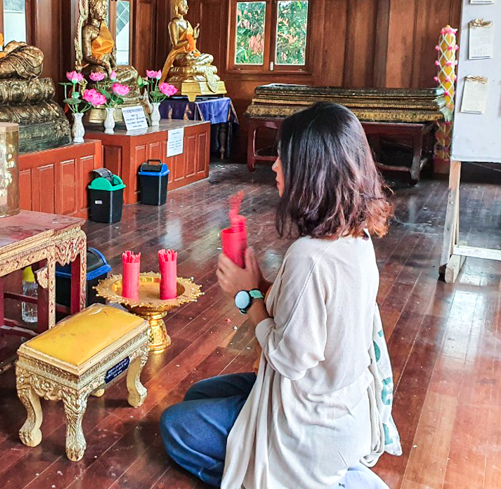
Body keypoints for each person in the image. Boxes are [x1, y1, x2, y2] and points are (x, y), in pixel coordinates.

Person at [160, 102, 395, 489]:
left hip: (308, 422)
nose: (274, 166)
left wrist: (247, 298)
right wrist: (260, 283)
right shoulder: (355, 236)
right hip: (341, 404)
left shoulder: (311, 257)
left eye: (283, 158)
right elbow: (313, 312)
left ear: (312, 172)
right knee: (199, 393)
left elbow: (290, 359)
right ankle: (334, 469)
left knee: (175, 427)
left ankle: (313, 480)